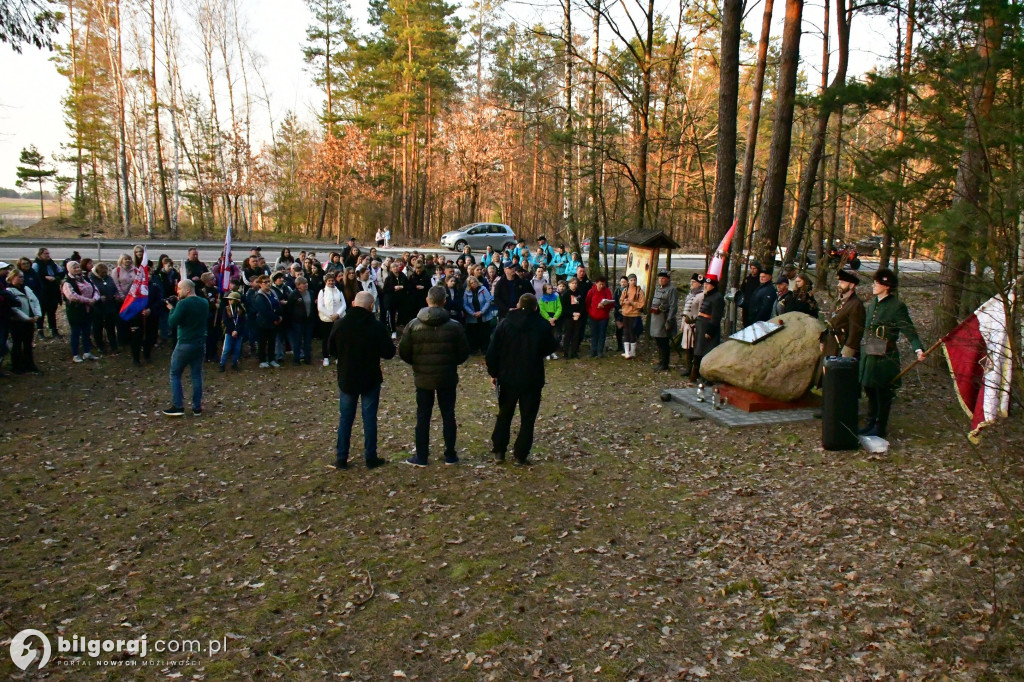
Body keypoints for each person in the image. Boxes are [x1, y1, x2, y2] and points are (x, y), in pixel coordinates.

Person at [398, 286, 470, 467]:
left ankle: (422, 456)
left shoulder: (414, 325)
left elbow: (404, 352)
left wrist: (418, 363)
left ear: (427, 300)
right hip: (446, 376)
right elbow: (462, 353)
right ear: (444, 302)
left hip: (424, 377)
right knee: (448, 415)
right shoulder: (454, 326)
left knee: (423, 416)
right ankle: (450, 454)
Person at [486, 293, 559, 465]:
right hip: (531, 377)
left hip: (508, 376)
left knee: (505, 414)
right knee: (528, 418)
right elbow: (550, 346)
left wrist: (494, 372)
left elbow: (493, 350)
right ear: (535, 307)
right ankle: (520, 453)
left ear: (518, 305)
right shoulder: (541, 325)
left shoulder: (505, 324)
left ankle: (499, 449)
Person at [326, 291, 395, 470]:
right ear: (371, 306)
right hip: (370, 377)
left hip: (347, 376)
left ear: (353, 302)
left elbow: (331, 350)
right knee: (369, 418)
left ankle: (342, 457)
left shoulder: (340, 325)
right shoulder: (376, 326)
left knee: (346, 419)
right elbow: (389, 352)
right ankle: (370, 457)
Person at [858, 268, 925, 438]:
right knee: (869, 388)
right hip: (869, 352)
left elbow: (908, 329)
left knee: (882, 391)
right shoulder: (873, 303)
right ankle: (871, 421)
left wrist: (918, 348)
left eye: (877, 283)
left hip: (885, 355)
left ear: (886, 286)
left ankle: (880, 427)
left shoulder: (897, 306)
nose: (874, 286)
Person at [163, 280, 210, 416]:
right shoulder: (204, 302)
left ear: (187, 290)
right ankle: (197, 407)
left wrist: (172, 309)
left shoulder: (183, 304)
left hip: (185, 342)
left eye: (179, 289)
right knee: (196, 374)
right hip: (200, 342)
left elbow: (173, 322)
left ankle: (178, 406)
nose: (178, 292)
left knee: (175, 373)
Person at [61, 261, 101, 363]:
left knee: (87, 331)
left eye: (78, 267)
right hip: (76, 310)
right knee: (75, 332)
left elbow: (95, 290)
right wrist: (88, 301)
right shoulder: (67, 282)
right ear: (69, 269)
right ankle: (75, 354)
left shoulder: (86, 278)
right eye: (74, 268)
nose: (77, 269)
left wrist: (95, 299)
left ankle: (87, 352)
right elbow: (71, 296)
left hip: (88, 310)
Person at [4, 268, 42, 373]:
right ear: (12, 277)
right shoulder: (9, 291)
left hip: (29, 320)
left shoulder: (26, 288)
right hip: (17, 321)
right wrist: (26, 318)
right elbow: (14, 308)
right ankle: (16, 366)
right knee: (17, 343)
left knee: (28, 343)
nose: (22, 279)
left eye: (23, 277)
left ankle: (29, 364)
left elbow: (35, 301)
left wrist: (37, 315)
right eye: (19, 277)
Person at [822, 269, 865, 359]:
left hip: (841, 349)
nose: (839, 285)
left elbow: (856, 332)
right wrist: (823, 340)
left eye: (842, 282)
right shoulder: (839, 301)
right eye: (839, 282)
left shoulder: (856, 304)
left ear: (852, 285)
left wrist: (847, 353)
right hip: (830, 345)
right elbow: (831, 322)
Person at [691, 274, 724, 382]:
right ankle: (699, 375)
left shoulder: (717, 298)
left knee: (707, 353)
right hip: (701, 327)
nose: (705, 285)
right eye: (705, 283)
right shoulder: (708, 295)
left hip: (708, 329)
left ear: (713, 285)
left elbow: (715, 317)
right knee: (699, 352)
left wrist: (710, 331)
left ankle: (707, 378)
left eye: (708, 284)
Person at [251, 275, 283, 368]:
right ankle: (262, 360)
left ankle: (272, 359)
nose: (268, 284)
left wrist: (280, 316)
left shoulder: (273, 292)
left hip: (274, 323)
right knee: (262, 342)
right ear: (260, 284)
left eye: (269, 281)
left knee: (272, 342)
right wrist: (275, 319)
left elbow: (278, 305)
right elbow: (264, 311)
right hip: (264, 323)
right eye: (265, 282)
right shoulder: (259, 296)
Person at [649, 270, 678, 372]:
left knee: (664, 342)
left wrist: (669, 321)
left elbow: (673, 306)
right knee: (659, 342)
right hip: (656, 318)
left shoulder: (672, 290)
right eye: (660, 278)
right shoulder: (658, 288)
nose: (661, 280)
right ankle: (661, 362)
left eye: (663, 278)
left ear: (668, 279)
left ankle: (665, 364)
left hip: (664, 319)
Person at [32, 247, 64, 338]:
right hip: (42, 293)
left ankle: (54, 330)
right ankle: (40, 331)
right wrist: (44, 278)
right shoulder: (36, 265)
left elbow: (61, 272)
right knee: (41, 313)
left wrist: (56, 278)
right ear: (40, 255)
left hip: (53, 291)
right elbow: (35, 276)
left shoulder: (52, 264)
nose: (48, 255)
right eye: (45, 254)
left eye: (48, 253)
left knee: (52, 312)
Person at [90, 262, 120, 354]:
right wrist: (99, 298)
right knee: (98, 328)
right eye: (102, 273)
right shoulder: (91, 280)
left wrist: (115, 295)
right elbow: (90, 293)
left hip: (110, 306)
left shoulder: (109, 278)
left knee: (110, 327)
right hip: (98, 308)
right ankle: (100, 345)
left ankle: (113, 345)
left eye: (105, 272)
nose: (104, 274)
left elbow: (114, 288)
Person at [287, 276, 317, 365]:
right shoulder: (294, 295)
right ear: (298, 285)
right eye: (303, 284)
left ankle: (307, 358)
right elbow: (289, 308)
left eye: (306, 283)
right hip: (297, 322)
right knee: (297, 341)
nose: (306, 285)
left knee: (307, 341)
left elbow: (313, 306)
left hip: (309, 321)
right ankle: (297, 359)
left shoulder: (311, 293)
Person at [462, 275, 496, 354]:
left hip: (484, 315)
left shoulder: (483, 289)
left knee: (485, 333)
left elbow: (488, 301)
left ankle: (485, 349)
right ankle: (474, 349)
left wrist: (482, 311)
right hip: (472, 316)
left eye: (475, 282)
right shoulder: (466, 292)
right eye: (472, 283)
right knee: (474, 333)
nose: (474, 284)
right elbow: (465, 304)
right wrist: (472, 313)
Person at [679, 274, 704, 376]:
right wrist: (682, 324)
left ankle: (695, 369)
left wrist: (696, 323)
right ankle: (688, 368)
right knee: (687, 347)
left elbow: (700, 311)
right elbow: (685, 311)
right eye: (691, 282)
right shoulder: (690, 294)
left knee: (693, 347)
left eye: (693, 282)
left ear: (699, 284)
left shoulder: (701, 295)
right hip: (687, 324)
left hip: (694, 325)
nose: (691, 284)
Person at [585, 275, 614, 358]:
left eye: (603, 284)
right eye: (600, 284)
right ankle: (593, 351)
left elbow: (611, 303)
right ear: (596, 283)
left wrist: (604, 306)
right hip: (593, 316)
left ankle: (600, 351)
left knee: (602, 334)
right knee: (594, 334)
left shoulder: (607, 291)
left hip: (603, 317)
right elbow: (587, 303)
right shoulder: (591, 291)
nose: (602, 286)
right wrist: (591, 312)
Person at [618, 273, 645, 359]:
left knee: (633, 332)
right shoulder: (625, 290)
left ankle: (633, 352)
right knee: (626, 332)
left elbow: (642, 304)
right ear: (628, 281)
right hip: (626, 314)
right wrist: (624, 301)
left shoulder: (640, 291)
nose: (633, 282)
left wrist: (631, 303)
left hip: (635, 314)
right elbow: (620, 301)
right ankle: (626, 352)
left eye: (634, 280)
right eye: (631, 280)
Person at [219, 291, 246, 371]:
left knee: (237, 349)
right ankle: (222, 364)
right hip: (229, 332)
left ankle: (234, 363)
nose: (229, 301)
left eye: (232, 300)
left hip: (239, 332)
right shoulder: (226, 309)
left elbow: (242, 322)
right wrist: (232, 331)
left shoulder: (241, 310)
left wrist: (237, 330)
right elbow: (226, 321)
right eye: (229, 300)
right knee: (226, 349)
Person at [561, 277, 586, 359]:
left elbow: (582, 305)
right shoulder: (566, 294)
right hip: (569, 318)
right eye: (573, 283)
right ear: (569, 284)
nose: (574, 285)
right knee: (568, 335)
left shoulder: (580, 293)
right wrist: (572, 314)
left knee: (576, 335)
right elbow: (564, 307)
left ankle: (574, 352)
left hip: (578, 317)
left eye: (575, 283)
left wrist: (579, 314)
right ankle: (566, 353)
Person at [538, 282, 562, 359]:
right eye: (548, 288)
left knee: (554, 336)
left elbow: (559, 308)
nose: (550, 290)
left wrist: (555, 317)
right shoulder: (542, 299)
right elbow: (542, 310)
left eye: (551, 288)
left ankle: (553, 352)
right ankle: (546, 352)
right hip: (546, 319)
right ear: (545, 290)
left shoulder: (556, 297)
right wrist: (548, 318)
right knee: (546, 335)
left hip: (555, 317)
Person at [738, 260, 763, 328]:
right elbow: (742, 290)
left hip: (755, 306)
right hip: (746, 305)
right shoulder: (747, 279)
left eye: (754, 268)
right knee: (745, 324)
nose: (752, 270)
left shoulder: (760, 280)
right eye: (751, 268)